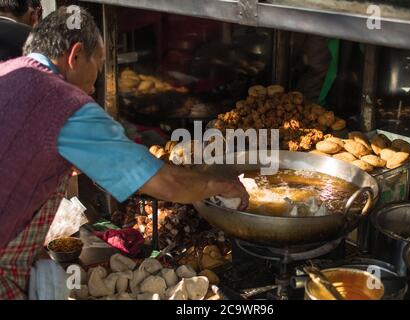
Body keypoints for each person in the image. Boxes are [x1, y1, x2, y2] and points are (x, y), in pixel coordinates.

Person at [0, 7, 248, 299]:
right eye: (98, 65)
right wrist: (222, 184)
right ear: (76, 55)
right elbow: (165, 183)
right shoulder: (64, 104)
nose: (93, 87)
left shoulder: (8, 72)